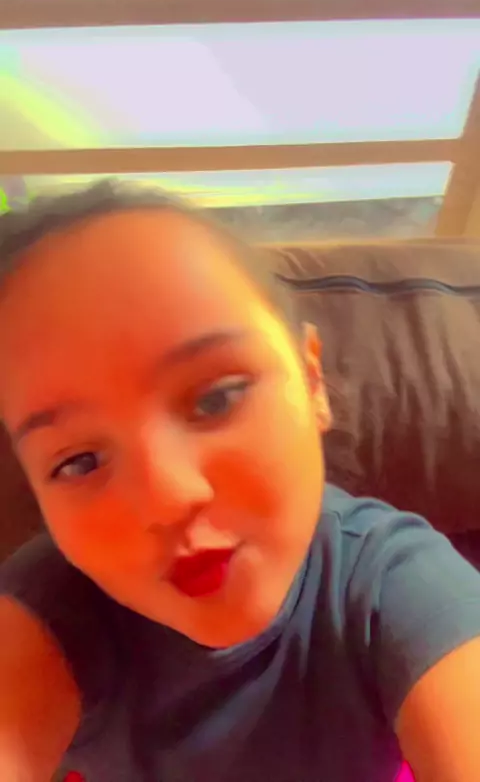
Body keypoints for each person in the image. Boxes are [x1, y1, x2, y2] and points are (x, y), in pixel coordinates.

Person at [0, 180, 479, 782]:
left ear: (311, 381)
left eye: (217, 399)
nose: (168, 498)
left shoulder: (393, 582)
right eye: (79, 462)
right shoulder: (50, 612)